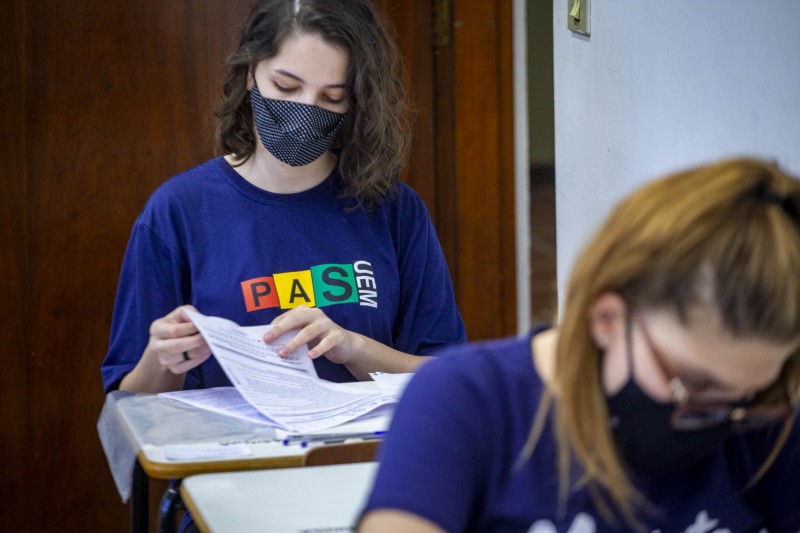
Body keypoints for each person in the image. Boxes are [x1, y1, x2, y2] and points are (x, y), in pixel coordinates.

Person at [359, 158, 800, 532]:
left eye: (748, 394)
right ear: (608, 318)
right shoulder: (465, 402)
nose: (720, 418)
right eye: (693, 385)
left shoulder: (763, 420)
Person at [101, 0, 466, 395]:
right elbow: (131, 401)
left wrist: (355, 349)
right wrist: (163, 358)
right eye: (286, 87)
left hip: (362, 454)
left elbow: (447, 377)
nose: (304, 111)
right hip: (232, 455)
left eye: (331, 98)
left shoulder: (393, 210)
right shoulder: (178, 211)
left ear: (356, 101)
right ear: (249, 75)